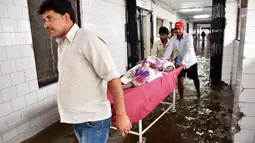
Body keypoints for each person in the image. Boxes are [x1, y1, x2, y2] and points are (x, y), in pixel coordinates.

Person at [38, 0, 131, 143]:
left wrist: (121, 114)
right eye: (44, 20)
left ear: (66, 17)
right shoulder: (62, 44)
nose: (45, 25)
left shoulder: (87, 39)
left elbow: (112, 77)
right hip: (78, 119)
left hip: (93, 120)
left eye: (50, 18)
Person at [164, 21, 201, 100]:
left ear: (183, 29)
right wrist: (164, 60)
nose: (177, 31)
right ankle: (181, 98)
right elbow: (169, 50)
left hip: (191, 62)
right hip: (180, 62)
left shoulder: (188, 37)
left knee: (195, 79)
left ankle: (198, 92)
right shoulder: (173, 39)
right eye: (176, 29)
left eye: (179, 29)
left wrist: (184, 62)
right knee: (180, 80)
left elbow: (189, 50)